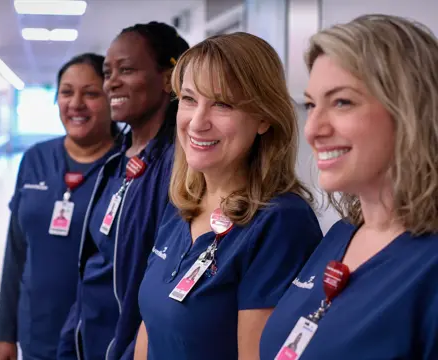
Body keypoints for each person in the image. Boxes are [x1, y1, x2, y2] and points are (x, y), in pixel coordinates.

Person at [260, 14, 438, 360]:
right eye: (312, 105)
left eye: (341, 102)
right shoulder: (341, 235)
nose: (312, 129)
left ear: (410, 109)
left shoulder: (428, 268)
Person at [135, 32, 323, 360]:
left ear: (264, 118)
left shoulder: (280, 222)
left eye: (222, 104)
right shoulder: (183, 204)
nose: (197, 122)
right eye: (190, 99)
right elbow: (149, 327)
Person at [57, 22, 189, 360]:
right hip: (89, 342)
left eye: (126, 69)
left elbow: (163, 289)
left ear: (167, 78)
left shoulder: (181, 168)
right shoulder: (115, 161)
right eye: (107, 72)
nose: (111, 82)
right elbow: (93, 268)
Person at [0, 53, 121, 360]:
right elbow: (16, 251)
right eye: (66, 92)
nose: (76, 103)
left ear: (111, 101)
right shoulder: (35, 159)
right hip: (37, 331)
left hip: (102, 339)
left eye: (90, 93)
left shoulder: (127, 167)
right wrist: (5, 333)